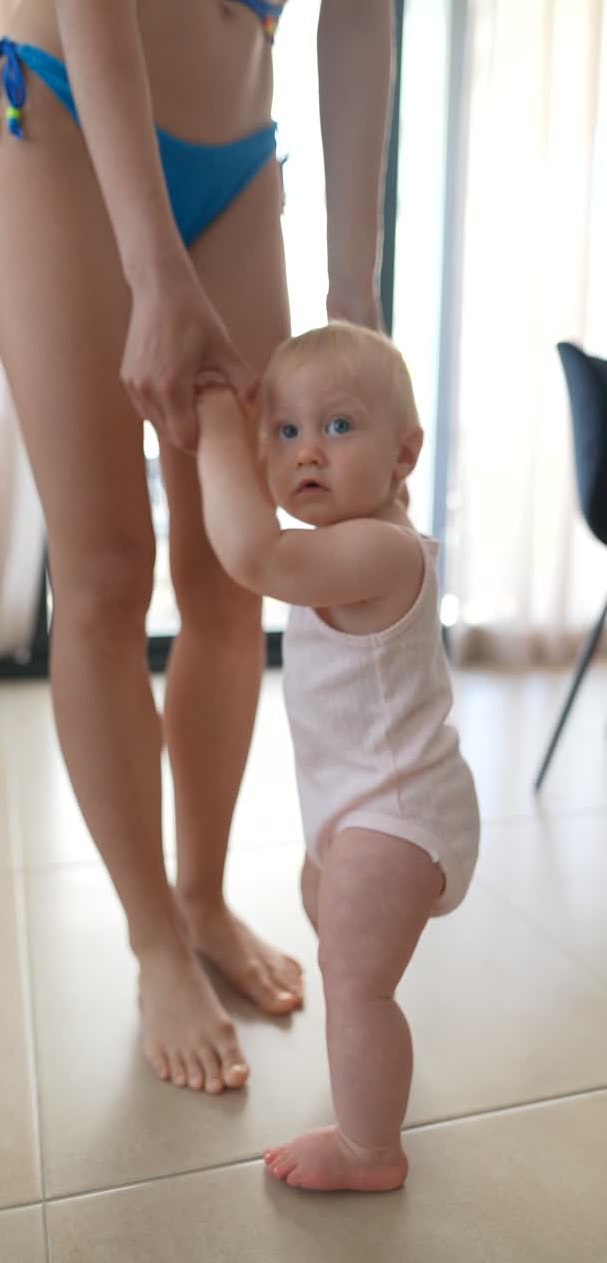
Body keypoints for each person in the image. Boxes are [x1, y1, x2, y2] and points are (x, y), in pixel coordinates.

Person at [0, 0, 394, 1095]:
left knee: (232, 570)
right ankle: (154, 935)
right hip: (65, 113)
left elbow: (359, 9)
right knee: (108, 569)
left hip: (239, 161)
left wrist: (355, 289)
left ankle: (202, 898)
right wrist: (155, 271)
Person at [195, 322, 480, 1190]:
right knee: (327, 918)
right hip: (361, 806)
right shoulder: (346, 543)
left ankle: (370, 1150)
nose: (306, 452)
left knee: (355, 982)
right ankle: (371, 1056)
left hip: (399, 814)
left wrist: (216, 419)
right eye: (284, 431)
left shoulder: (378, 550)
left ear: (404, 455)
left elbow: (253, 554)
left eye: (339, 426)